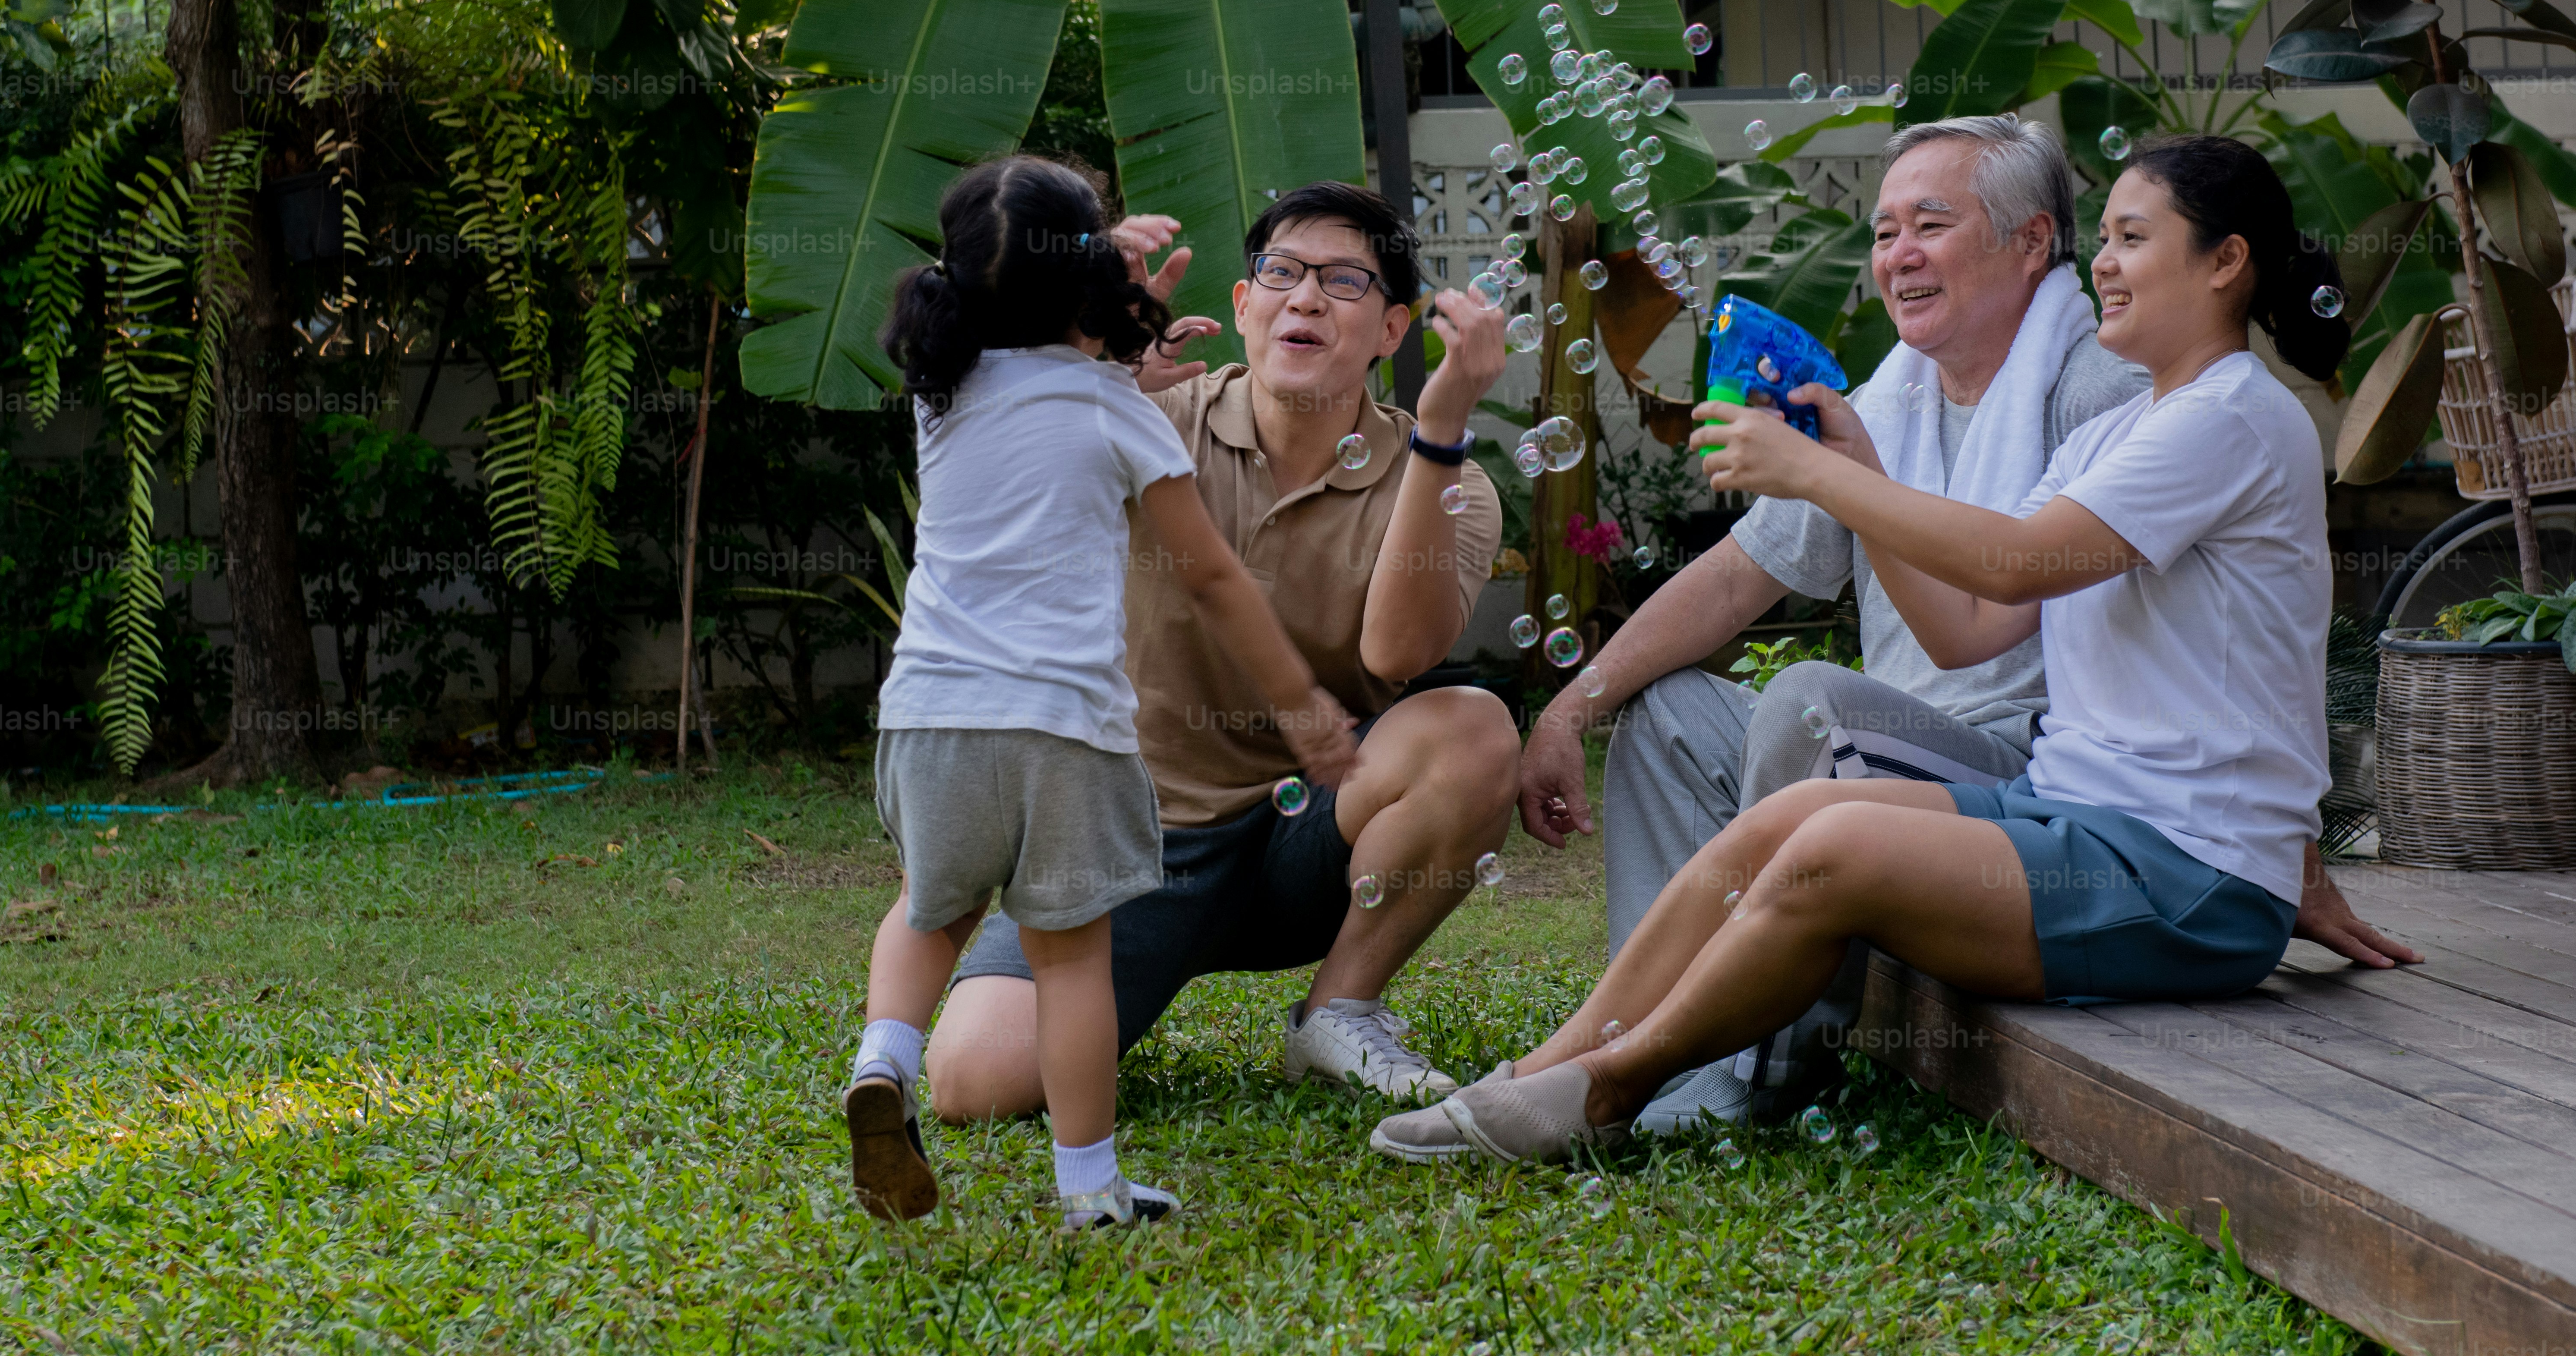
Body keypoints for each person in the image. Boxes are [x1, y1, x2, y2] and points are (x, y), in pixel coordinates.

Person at [1374, 135, 2412, 1165]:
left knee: (1831, 843)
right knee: (1787, 817)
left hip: (2187, 873)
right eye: (2101, 238)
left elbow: (2010, 563)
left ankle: (1604, 1091)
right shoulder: (2123, 429)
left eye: (2130, 238)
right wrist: (1858, 469)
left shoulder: (2226, 418)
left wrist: (1827, 479)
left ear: (2223, 260)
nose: (2099, 264)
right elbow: (1968, 626)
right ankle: (1543, 1067)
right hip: (2083, 815)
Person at [1520, 115, 2150, 1130]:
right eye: (1882, 229)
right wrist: (1570, 706)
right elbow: (1736, 577)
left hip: (2028, 776)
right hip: (1891, 748)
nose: (1896, 255)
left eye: (1929, 224)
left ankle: (1754, 1071)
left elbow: (1984, 624)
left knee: (1813, 705)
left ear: (2031, 241)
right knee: (1670, 711)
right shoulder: (1888, 396)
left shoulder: (2095, 392)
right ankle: (1650, 1035)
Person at [923, 182, 1520, 1118]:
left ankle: (1338, 1008)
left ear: (1393, 329)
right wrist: (1090, 369)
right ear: (1243, 306)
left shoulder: (1446, 479)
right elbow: (976, 465)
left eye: (1343, 281)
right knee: (973, 1079)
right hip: (1130, 840)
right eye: (1280, 272)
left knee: (1474, 727)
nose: (1305, 297)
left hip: (1314, 835)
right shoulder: (1145, 418)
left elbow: (1397, 650)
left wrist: (1441, 430)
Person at [842, 156, 1355, 1232]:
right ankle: (1089, 1188)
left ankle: (883, 1055)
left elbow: (1034, 352)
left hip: (927, 716)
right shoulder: (1119, 416)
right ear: (1089, 292)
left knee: (930, 908)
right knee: (1069, 956)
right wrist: (1301, 703)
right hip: (1062, 732)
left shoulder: (944, 392)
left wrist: (1086, 283)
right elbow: (1210, 573)